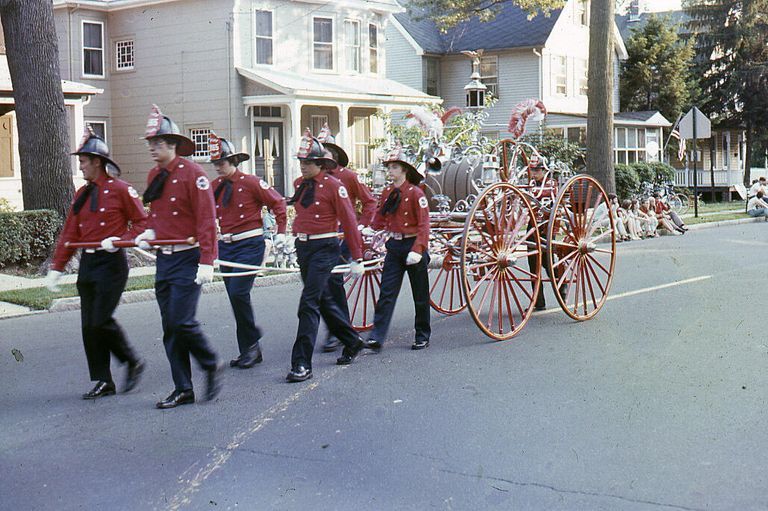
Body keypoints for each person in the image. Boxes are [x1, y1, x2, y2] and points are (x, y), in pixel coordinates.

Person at [46, 128, 147, 400]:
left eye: (83, 161)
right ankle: (103, 380)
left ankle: (131, 360)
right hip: (88, 263)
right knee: (89, 326)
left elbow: (141, 223)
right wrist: (57, 267)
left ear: (97, 162)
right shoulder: (81, 193)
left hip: (112, 263)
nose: (80, 166)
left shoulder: (122, 190)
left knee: (101, 319)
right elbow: (70, 232)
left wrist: (120, 239)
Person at [135, 105, 222, 408]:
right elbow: (154, 214)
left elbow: (206, 220)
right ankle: (183, 387)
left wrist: (207, 261)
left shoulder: (193, 174)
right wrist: (148, 232)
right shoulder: (154, 174)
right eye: (150, 144)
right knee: (170, 327)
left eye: (157, 143)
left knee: (182, 321)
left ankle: (210, 362)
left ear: (172, 145)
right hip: (165, 259)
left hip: (188, 257)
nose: (152, 148)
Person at [285, 129, 366, 382]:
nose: (303, 167)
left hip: (325, 248)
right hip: (304, 248)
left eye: (308, 162)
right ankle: (352, 340)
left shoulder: (334, 186)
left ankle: (301, 363)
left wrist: (357, 257)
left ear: (320, 163)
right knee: (322, 300)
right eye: (300, 162)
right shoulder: (299, 185)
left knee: (308, 303)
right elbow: (300, 215)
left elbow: (350, 222)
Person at [209, 133, 287, 369]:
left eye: (221, 163)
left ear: (233, 161)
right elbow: (203, 213)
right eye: (215, 164)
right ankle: (249, 349)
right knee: (234, 297)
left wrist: (280, 231)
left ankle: (251, 344)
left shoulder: (252, 182)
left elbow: (278, 203)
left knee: (239, 293)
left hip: (250, 245)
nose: (218, 168)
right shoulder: (215, 187)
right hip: (227, 246)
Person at [315, 124, 377, 352]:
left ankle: (338, 330)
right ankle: (337, 328)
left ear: (335, 156)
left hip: (344, 234)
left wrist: (361, 226)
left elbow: (370, 201)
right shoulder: (314, 178)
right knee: (325, 283)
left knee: (333, 281)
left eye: (325, 152)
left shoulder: (348, 176)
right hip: (322, 234)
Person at [363, 145, 431, 352]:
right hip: (394, 246)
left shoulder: (416, 193)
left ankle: (422, 334)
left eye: (394, 167)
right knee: (386, 292)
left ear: (404, 170)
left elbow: (424, 225)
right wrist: (370, 229)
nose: (390, 171)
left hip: (412, 246)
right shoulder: (387, 192)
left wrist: (418, 250)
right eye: (389, 167)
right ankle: (377, 336)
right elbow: (382, 215)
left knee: (419, 294)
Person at [526, 160, 564, 311]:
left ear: (544, 170)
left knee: (547, 262)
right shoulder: (531, 184)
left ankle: (561, 287)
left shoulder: (550, 183)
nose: (534, 173)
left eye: (537, 170)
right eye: (532, 170)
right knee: (532, 264)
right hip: (533, 224)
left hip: (547, 225)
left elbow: (549, 197)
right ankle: (538, 301)